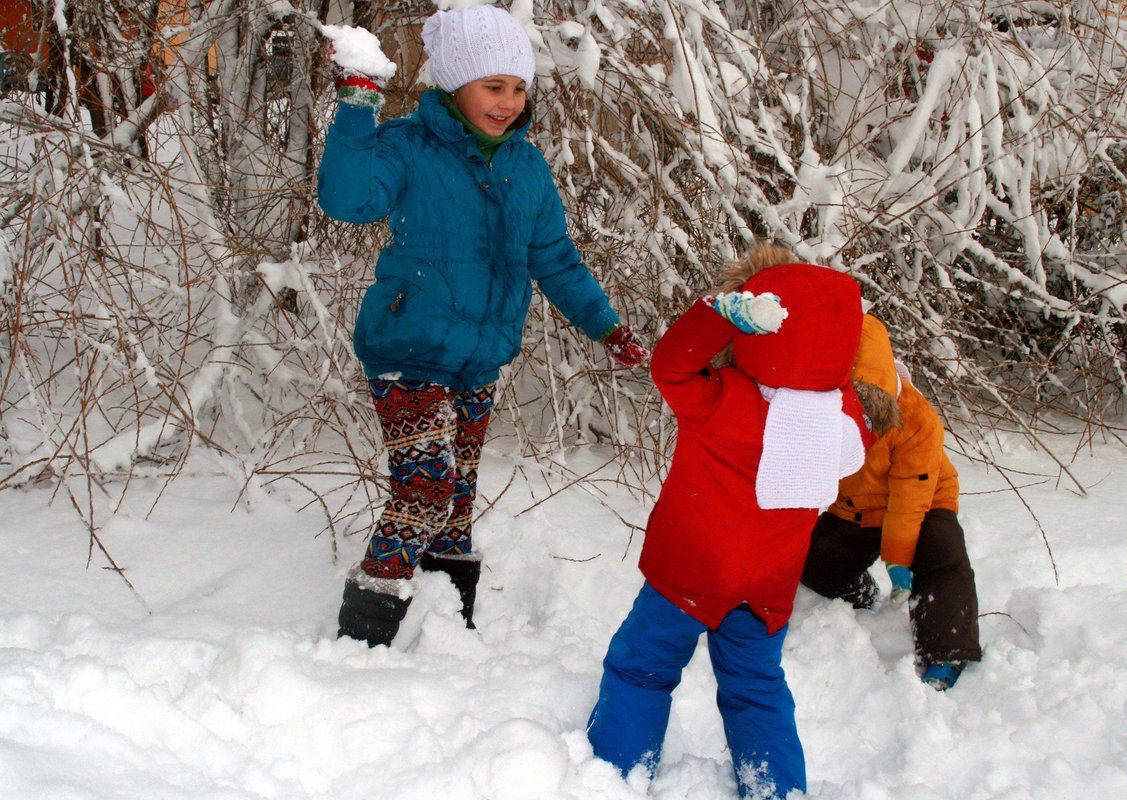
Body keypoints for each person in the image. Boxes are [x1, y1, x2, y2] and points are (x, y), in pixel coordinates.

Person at [317, 4, 648, 646]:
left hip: (480, 356)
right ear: (456, 86)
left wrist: (606, 328)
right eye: (494, 86)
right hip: (409, 347)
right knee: (425, 488)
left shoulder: (525, 167)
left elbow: (555, 260)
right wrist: (358, 106)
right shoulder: (408, 147)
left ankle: (445, 621)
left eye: (518, 87)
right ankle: (365, 632)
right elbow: (347, 199)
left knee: (457, 491)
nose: (509, 101)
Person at [586, 244, 874, 799]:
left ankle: (614, 775)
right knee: (756, 687)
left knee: (641, 668)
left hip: (688, 575)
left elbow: (668, 364)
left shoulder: (725, 403)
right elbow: (827, 375)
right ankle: (777, 790)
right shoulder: (842, 423)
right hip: (767, 588)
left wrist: (719, 313)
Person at [799, 314, 982, 690]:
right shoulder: (819, 408)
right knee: (813, 561)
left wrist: (898, 557)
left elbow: (910, 496)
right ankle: (863, 597)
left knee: (943, 558)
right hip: (856, 508)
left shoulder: (916, 419)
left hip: (926, 502)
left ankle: (947, 650)